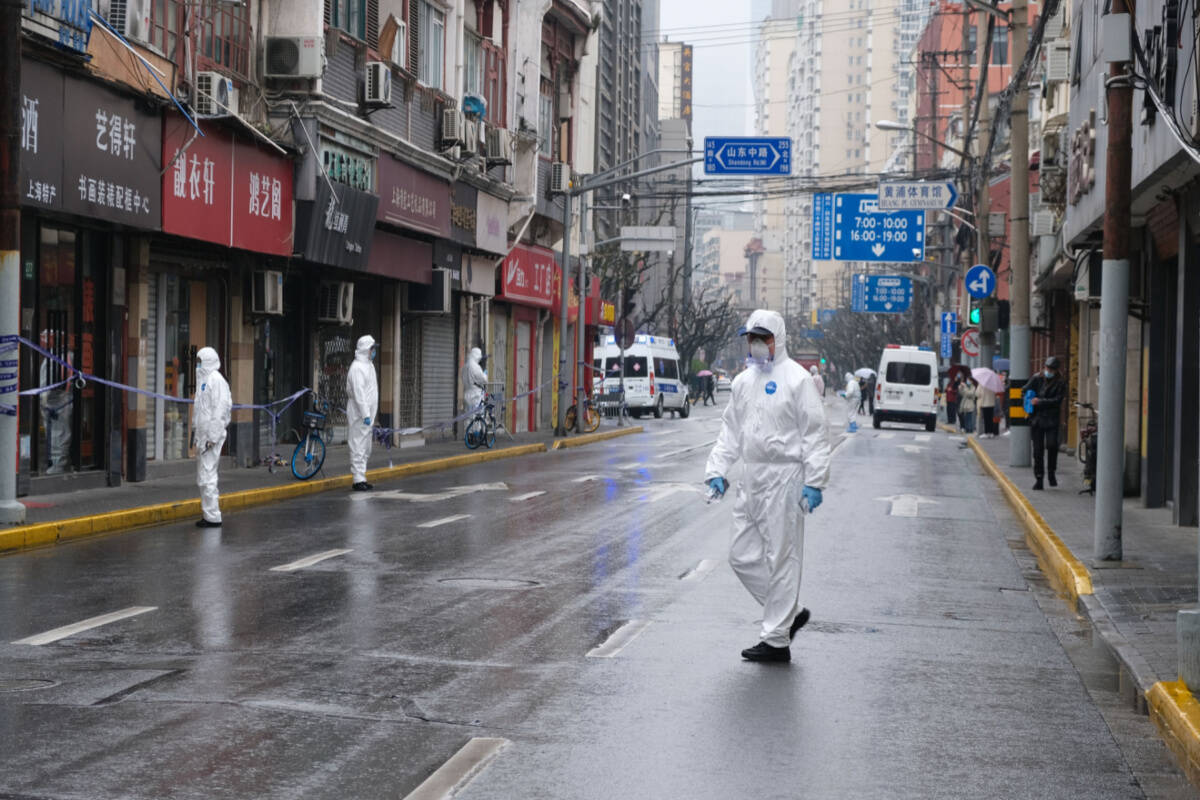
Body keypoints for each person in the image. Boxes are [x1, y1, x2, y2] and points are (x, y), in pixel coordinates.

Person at [705, 309, 831, 663]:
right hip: (751, 476)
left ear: (779, 339)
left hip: (785, 477)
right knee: (740, 555)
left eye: (764, 337)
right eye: (752, 338)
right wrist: (716, 470)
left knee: (782, 557)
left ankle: (776, 639)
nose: (758, 344)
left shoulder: (797, 379)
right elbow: (730, 431)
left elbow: (815, 433)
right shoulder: (743, 382)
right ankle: (791, 613)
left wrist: (815, 480)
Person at [192, 347, 232, 528]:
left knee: (208, 476)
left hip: (210, 438)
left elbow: (220, 411)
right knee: (203, 476)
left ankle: (213, 516)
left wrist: (212, 437)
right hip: (204, 437)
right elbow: (200, 410)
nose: (198, 365)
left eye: (200, 361)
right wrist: (196, 433)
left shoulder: (216, 380)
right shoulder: (204, 381)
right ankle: (208, 514)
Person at [1026, 356, 1066, 490]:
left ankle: (1051, 472)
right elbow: (1024, 390)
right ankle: (1039, 478)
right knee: (1037, 451)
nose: (1048, 371)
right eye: (1047, 368)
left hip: (1051, 419)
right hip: (1037, 419)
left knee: (1052, 446)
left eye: (1051, 370)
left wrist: (1040, 402)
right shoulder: (1037, 378)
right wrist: (1028, 398)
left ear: (1056, 370)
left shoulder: (1060, 383)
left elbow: (1057, 401)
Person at [346, 334, 379, 491]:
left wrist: (370, 414)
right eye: (372, 349)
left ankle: (362, 477)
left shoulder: (368, 365)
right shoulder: (357, 368)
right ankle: (358, 480)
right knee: (358, 446)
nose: (374, 351)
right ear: (366, 349)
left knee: (366, 447)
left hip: (367, 415)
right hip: (359, 414)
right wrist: (365, 414)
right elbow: (359, 394)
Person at [461, 346, 488, 413]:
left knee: (468, 415)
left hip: (467, 393)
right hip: (475, 395)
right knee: (477, 415)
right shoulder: (475, 367)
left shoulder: (465, 366)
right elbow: (484, 379)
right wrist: (485, 373)